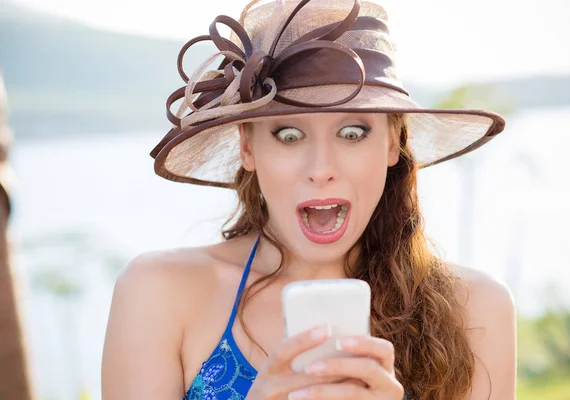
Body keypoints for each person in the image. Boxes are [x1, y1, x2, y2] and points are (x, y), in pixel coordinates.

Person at [101, 0, 516, 399]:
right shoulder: (159, 293)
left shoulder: (476, 312)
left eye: (352, 133)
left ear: (392, 141)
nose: (321, 168)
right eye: (289, 134)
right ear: (248, 147)